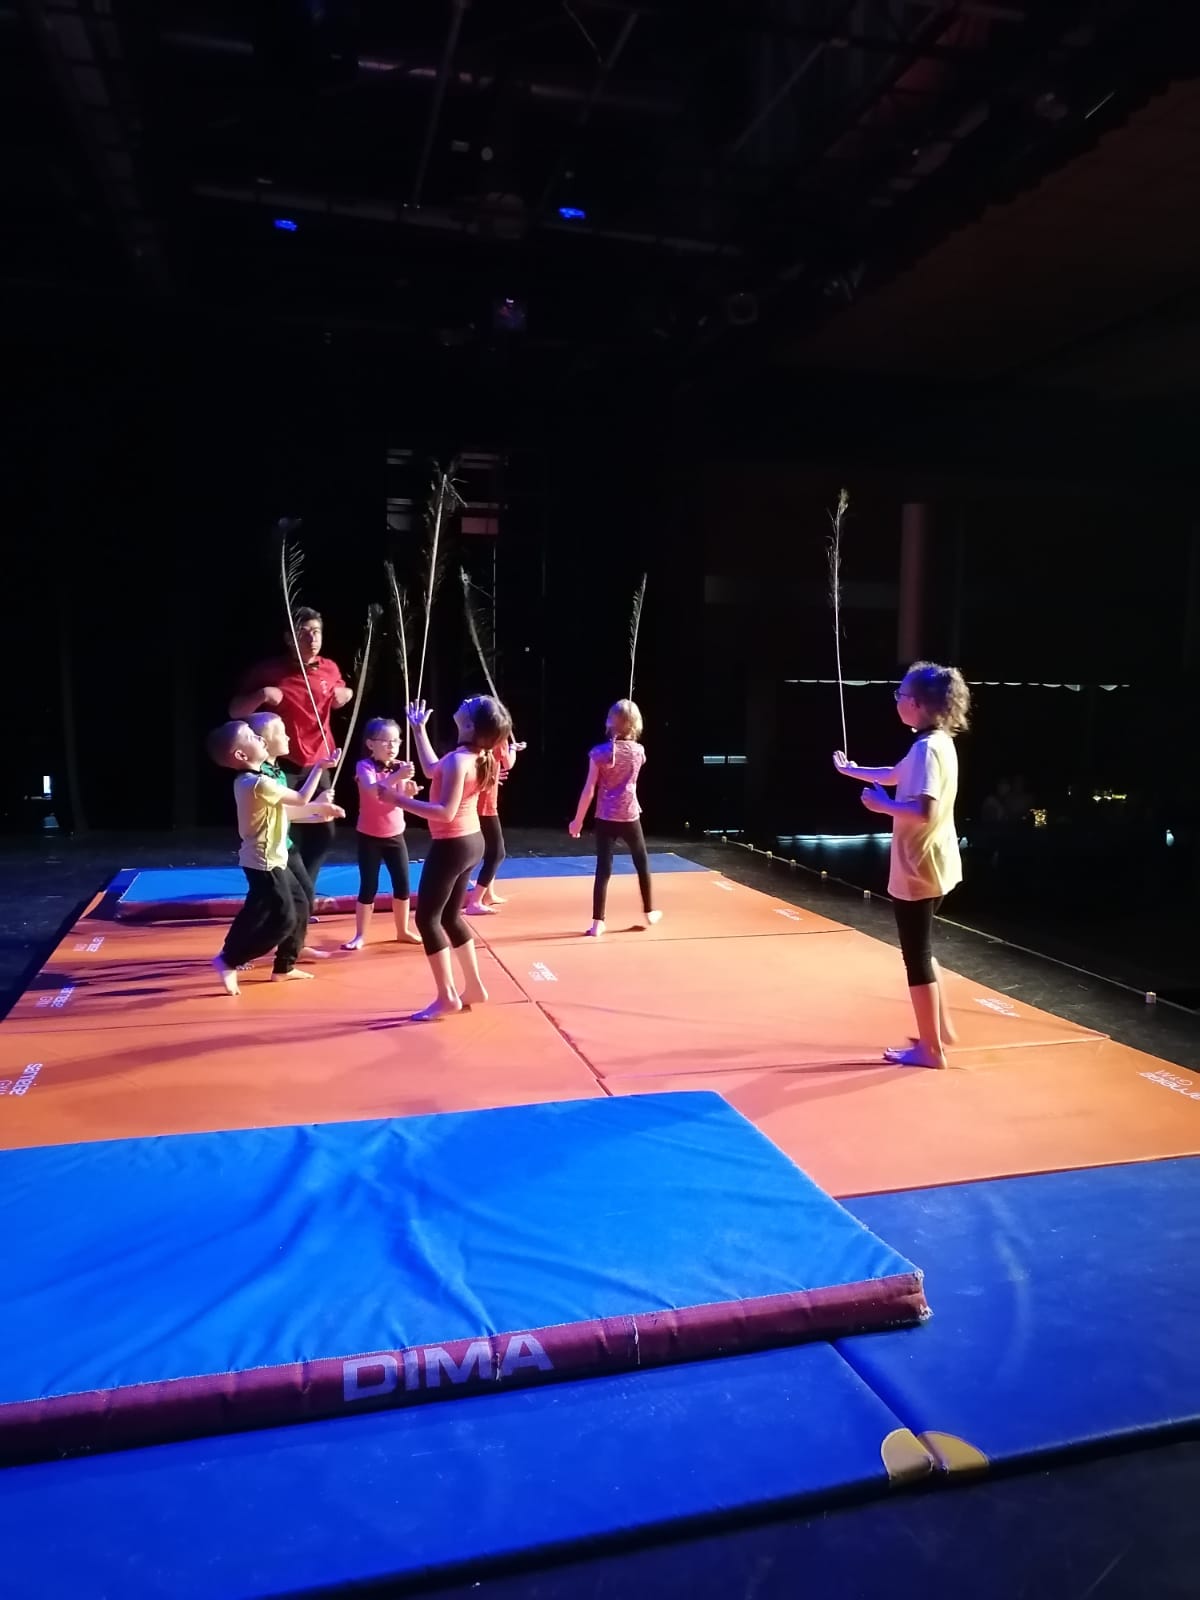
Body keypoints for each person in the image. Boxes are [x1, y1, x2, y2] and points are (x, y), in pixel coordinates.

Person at [833, 660, 971, 1069]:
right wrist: (853, 771)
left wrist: (882, 806)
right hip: (937, 864)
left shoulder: (928, 749)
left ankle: (931, 1049)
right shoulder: (936, 743)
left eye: (901, 695)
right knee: (922, 950)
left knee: (916, 956)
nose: (897, 700)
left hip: (918, 868)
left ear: (919, 704)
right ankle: (940, 1029)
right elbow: (895, 774)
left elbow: (924, 811)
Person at [388, 695, 513, 1021]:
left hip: (453, 845)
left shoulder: (461, 760)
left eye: (471, 703)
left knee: (427, 920)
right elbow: (432, 770)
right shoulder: (474, 756)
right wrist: (419, 731)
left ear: (469, 725)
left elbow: (444, 812)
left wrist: (397, 800)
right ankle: (473, 987)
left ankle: (446, 997)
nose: (466, 699)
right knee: (450, 918)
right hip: (471, 842)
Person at [205, 721, 343, 996]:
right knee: (283, 920)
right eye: (252, 737)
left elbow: (286, 812)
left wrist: (319, 811)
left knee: (300, 903)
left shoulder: (258, 781)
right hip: (264, 862)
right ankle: (229, 960)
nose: (260, 739)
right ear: (241, 755)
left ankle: (284, 966)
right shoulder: (256, 783)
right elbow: (300, 798)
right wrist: (319, 767)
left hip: (276, 857)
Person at [229, 607, 353, 890]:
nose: (312, 638)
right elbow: (235, 711)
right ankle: (289, 889)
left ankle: (303, 889)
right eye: (304, 633)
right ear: (289, 638)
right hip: (282, 763)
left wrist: (346, 694)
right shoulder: (268, 672)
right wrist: (261, 695)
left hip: (319, 761)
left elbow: (341, 690)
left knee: (324, 830)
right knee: (283, 829)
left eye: (316, 632)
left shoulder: (329, 668)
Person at [245, 710, 337, 963]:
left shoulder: (278, 773)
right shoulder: (260, 777)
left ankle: (292, 949)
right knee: (262, 904)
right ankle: (236, 952)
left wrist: (317, 814)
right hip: (266, 852)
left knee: (305, 896)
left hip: (285, 846)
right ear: (264, 742)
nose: (288, 737)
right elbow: (292, 806)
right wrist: (317, 805)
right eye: (282, 733)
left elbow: (287, 815)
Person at [568, 698, 661, 937]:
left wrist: (578, 821)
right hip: (629, 816)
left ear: (610, 722)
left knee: (603, 869)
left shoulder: (599, 753)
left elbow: (589, 789)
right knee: (641, 862)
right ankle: (649, 910)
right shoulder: (639, 752)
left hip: (606, 817)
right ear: (635, 724)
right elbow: (636, 759)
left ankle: (597, 922)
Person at [343, 718, 422, 950]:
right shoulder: (364, 766)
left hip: (395, 834)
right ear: (370, 744)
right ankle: (360, 935)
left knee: (402, 884)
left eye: (396, 741)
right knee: (369, 886)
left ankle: (402, 930)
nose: (392, 746)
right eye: (386, 741)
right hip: (369, 835)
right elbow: (372, 791)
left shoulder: (401, 766)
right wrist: (399, 777)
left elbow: (400, 799)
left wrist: (410, 791)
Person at [465, 733, 526, 915]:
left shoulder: (478, 737)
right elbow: (509, 763)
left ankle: (488, 894)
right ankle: (475, 901)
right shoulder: (499, 739)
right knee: (497, 853)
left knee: (490, 851)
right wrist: (513, 749)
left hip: (477, 802)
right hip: (485, 806)